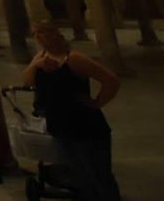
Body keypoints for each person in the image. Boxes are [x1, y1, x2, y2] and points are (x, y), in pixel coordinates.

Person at [22, 20, 122, 201]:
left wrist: (97, 103)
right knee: (79, 176)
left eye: (41, 33)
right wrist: (35, 66)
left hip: (85, 126)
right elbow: (28, 81)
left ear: (54, 34)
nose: (37, 37)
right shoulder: (41, 57)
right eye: (35, 34)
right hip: (60, 127)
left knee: (99, 175)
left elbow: (111, 80)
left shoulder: (73, 58)